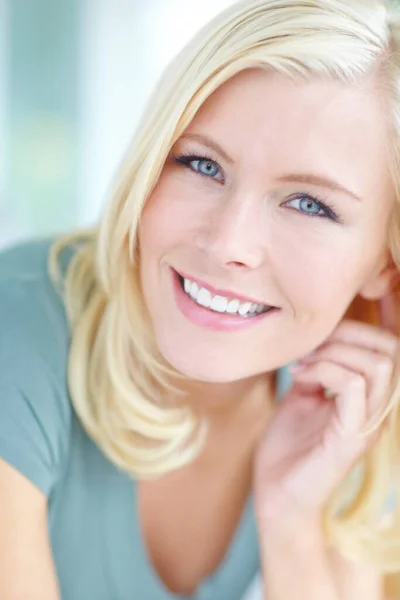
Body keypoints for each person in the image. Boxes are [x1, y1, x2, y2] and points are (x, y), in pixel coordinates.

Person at [2, 0, 400, 598]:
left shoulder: (348, 403)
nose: (228, 244)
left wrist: (290, 523)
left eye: (310, 204)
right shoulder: (20, 326)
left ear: (384, 266)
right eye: (201, 164)